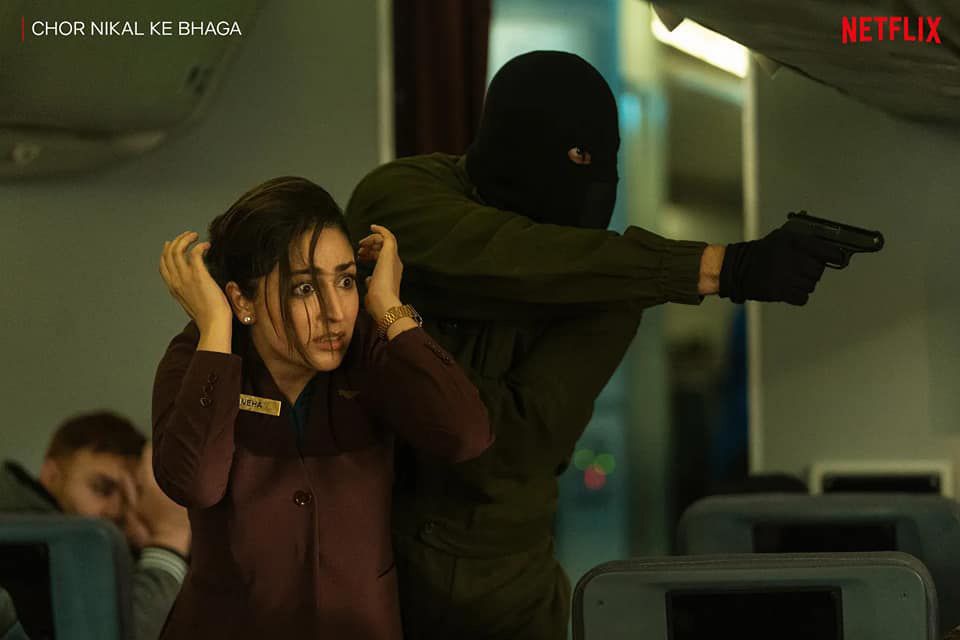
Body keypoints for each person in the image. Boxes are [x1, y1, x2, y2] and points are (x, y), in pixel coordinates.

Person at [345, 51, 853, 639]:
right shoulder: (403, 194)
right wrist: (719, 268)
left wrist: (392, 354)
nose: (593, 189)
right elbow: (503, 255)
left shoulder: (610, 287)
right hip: (356, 564)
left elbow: (508, 447)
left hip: (493, 596)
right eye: (577, 160)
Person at [152, 176, 491, 639]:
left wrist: (389, 306)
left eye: (346, 281)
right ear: (242, 299)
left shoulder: (367, 349)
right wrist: (215, 326)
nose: (335, 312)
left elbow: (466, 434)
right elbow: (195, 484)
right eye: (304, 289)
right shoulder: (200, 357)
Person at [0, 412, 190, 640]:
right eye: (102, 488)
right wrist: (169, 536)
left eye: (129, 497)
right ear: (51, 475)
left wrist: (141, 541)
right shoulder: (24, 548)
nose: (115, 510)